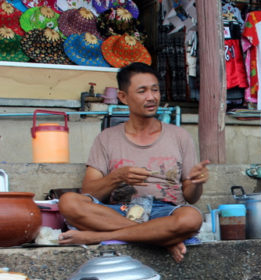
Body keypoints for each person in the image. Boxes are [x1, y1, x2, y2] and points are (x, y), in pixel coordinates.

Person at [58, 62, 209, 263]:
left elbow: (191, 198)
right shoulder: (107, 138)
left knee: (192, 218)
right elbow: (89, 193)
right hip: (119, 213)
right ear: (123, 97)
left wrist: (196, 183)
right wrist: (117, 178)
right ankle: (161, 240)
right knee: (68, 202)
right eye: (142, 91)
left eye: (155, 90)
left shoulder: (180, 136)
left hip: (164, 213)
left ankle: (100, 237)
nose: (151, 97)